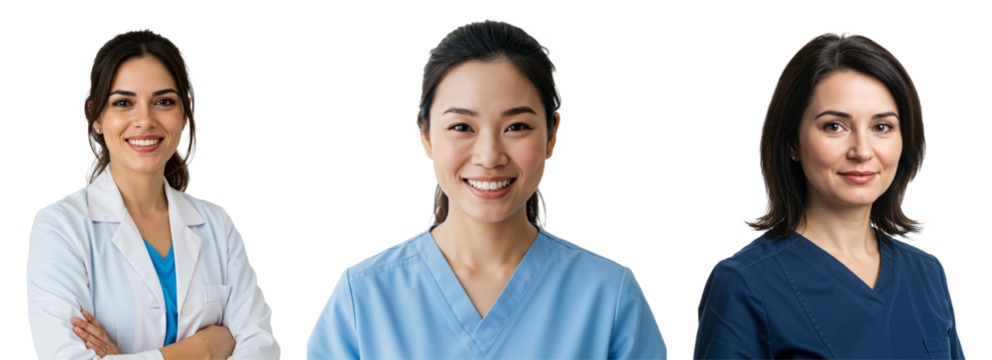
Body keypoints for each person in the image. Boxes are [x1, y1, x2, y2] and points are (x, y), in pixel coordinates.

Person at [306, 18, 667, 359]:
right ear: (426, 135)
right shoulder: (363, 297)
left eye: (516, 127)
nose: (489, 156)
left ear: (552, 135)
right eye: (462, 127)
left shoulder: (610, 296)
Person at [693, 30, 964, 359]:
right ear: (792, 141)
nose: (862, 151)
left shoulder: (928, 273)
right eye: (835, 126)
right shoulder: (744, 283)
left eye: (882, 127)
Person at [26, 28, 280, 359]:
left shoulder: (217, 222)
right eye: (123, 102)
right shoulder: (59, 227)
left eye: (163, 101)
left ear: (185, 113)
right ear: (96, 117)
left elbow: (261, 349)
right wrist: (206, 347)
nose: (144, 120)